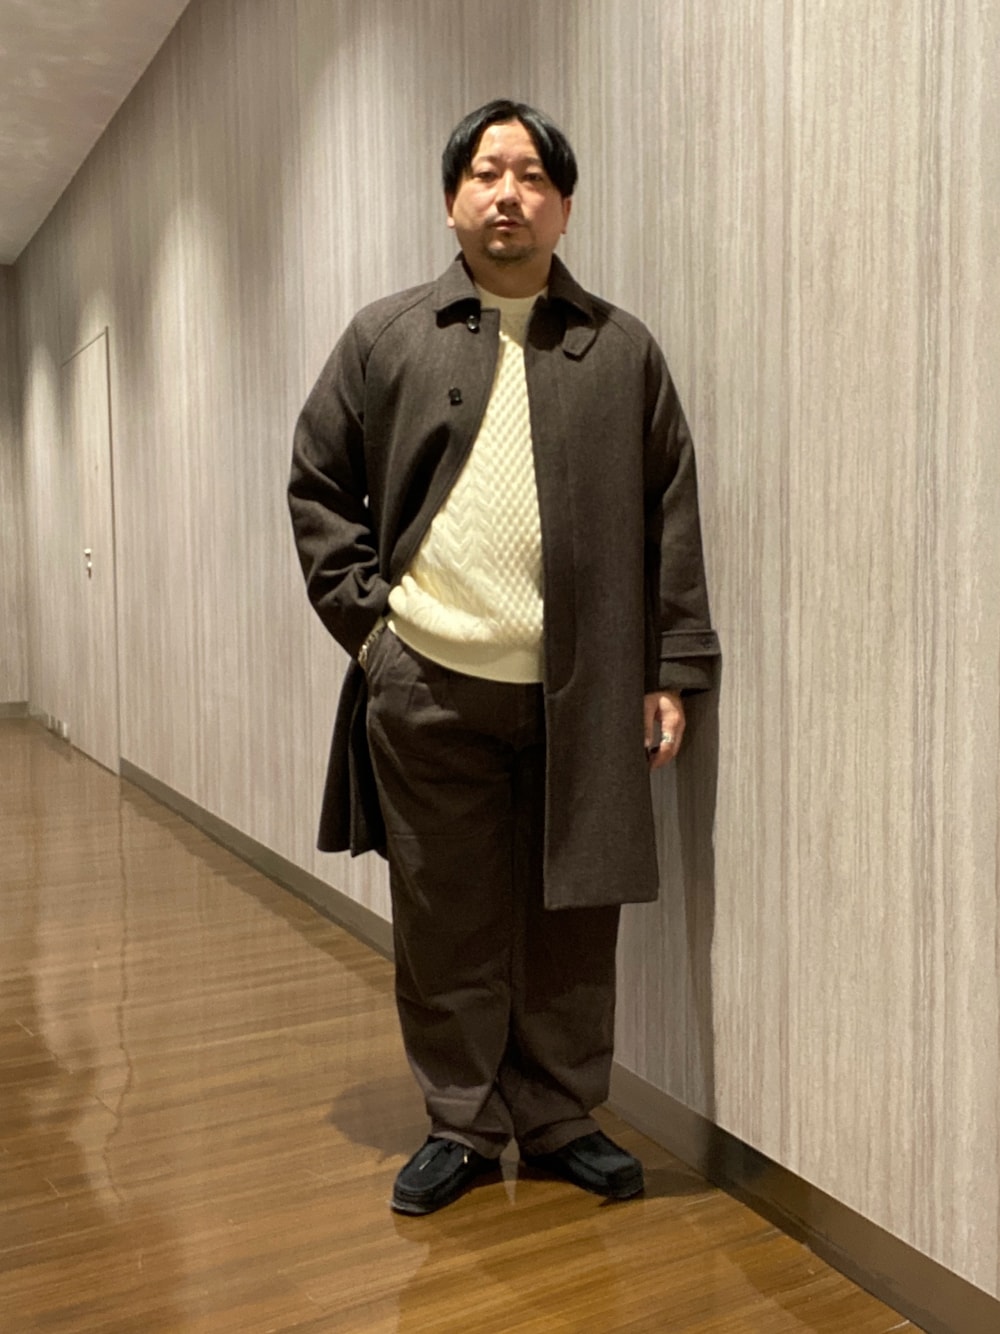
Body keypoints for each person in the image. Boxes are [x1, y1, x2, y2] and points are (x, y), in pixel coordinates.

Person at [288, 99, 720, 1216]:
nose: (507, 195)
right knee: (448, 916)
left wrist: (672, 664)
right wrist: (373, 632)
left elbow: (669, 509)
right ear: (452, 201)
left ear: (564, 205)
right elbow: (318, 484)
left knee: (573, 915)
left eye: (531, 176)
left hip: (584, 693)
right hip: (427, 688)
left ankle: (561, 1115)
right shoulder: (386, 337)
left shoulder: (619, 348)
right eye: (486, 173)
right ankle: (463, 1123)